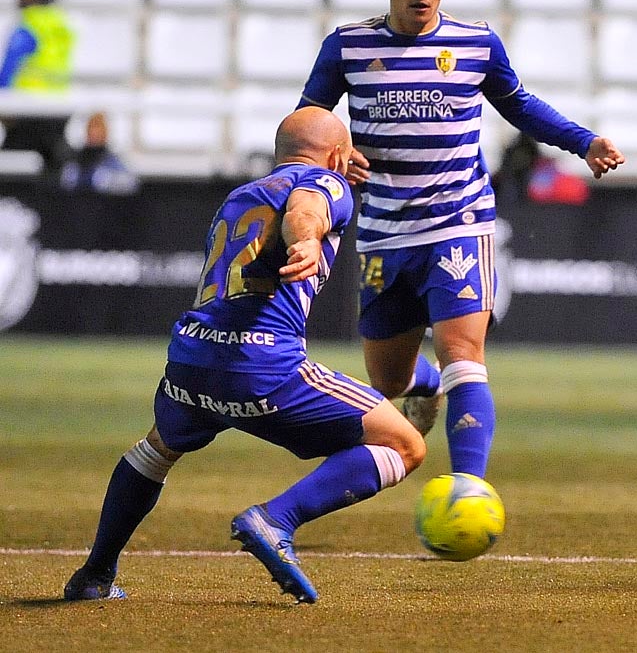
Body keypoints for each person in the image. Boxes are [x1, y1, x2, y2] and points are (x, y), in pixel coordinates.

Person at [297, 0, 624, 481]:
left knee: (464, 356)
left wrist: (582, 141)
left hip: (459, 221)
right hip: (383, 231)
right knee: (388, 381)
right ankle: (421, 385)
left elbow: (519, 104)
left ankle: (466, 488)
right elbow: (310, 125)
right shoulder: (347, 46)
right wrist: (331, 156)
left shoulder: (476, 43)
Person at [63, 107, 427, 604]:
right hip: (262, 367)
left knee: (155, 451)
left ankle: (94, 576)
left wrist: (320, 188)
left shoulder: (240, 197)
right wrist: (305, 239)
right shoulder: (327, 183)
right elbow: (307, 207)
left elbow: (296, 195)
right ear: (338, 155)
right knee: (405, 446)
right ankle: (276, 520)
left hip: (190, 361)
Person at [0, 0, 74, 177]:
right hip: (57, 112)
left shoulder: (30, 25)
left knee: (10, 175)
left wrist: (4, 104)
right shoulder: (60, 25)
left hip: (28, 112)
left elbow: (7, 71)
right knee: (51, 174)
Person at [59, 112, 140, 195]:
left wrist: (110, 180)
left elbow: (130, 183)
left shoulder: (112, 159)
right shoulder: (77, 159)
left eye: (99, 130)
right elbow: (66, 182)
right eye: (92, 129)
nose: (95, 134)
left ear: (105, 133)